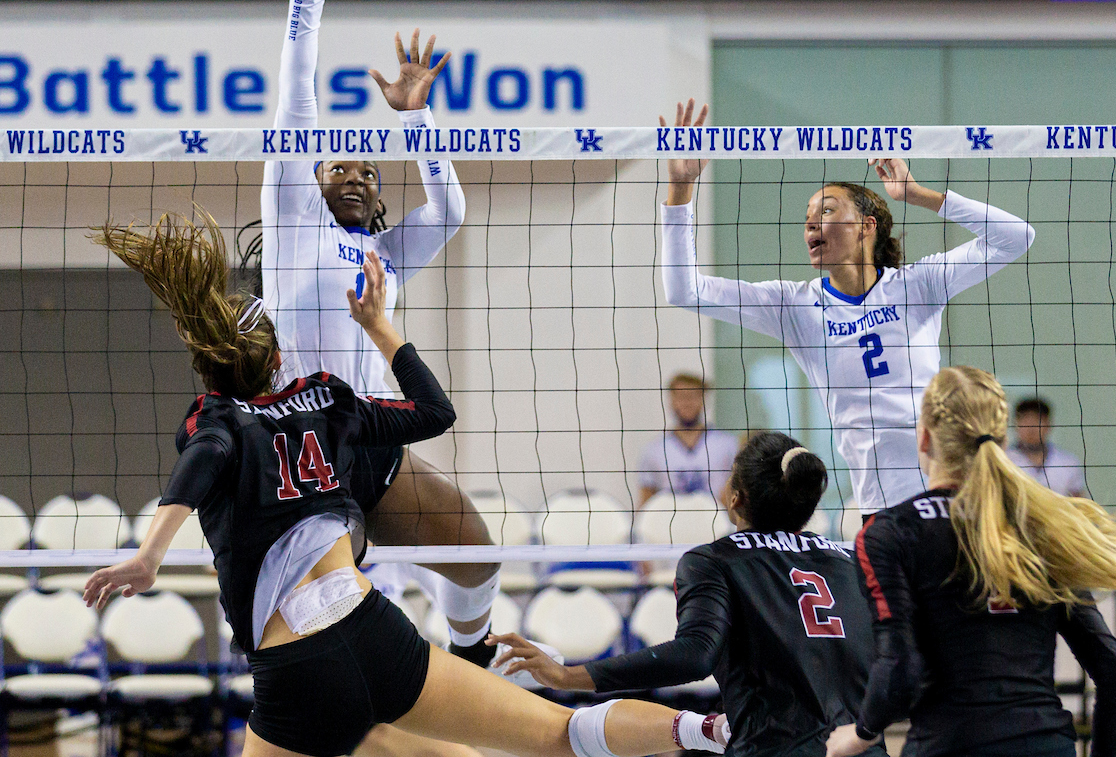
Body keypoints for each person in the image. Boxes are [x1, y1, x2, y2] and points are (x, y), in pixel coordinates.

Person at [82, 212, 728, 757]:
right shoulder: (327, 399)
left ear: (204, 370)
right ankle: (703, 729)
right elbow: (435, 414)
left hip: (299, 665)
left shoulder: (216, 418)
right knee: (559, 733)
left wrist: (150, 554)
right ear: (279, 361)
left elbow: (206, 455)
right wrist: (378, 326)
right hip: (372, 629)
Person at [261, 0, 502, 668]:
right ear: (313, 180)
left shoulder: (386, 254)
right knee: (336, 612)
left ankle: (471, 666)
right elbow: (296, 104)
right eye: (341, 168)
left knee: (477, 558)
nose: (359, 175)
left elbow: (452, 209)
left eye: (370, 170)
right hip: (304, 444)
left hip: (375, 435)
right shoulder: (294, 217)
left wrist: (418, 117)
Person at [659, 100, 1035, 517]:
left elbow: (1016, 237)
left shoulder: (918, 284)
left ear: (866, 227)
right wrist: (681, 191)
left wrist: (917, 194)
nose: (811, 225)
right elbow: (684, 290)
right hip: (880, 508)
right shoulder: (795, 306)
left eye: (826, 211)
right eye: (807, 218)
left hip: (954, 494)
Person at [491, 431, 886, 757]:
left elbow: (695, 655)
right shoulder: (853, 559)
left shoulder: (714, 560)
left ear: (735, 498)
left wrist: (568, 674)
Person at [827, 366, 1116, 757]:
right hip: (1047, 745)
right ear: (1000, 439)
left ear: (925, 437)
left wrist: (860, 733)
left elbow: (900, 669)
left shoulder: (890, 532)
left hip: (950, 745)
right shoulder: (1042, 527)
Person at [636, 373, 740, 508]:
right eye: (681, 397)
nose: (687, 403)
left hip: (716, 524)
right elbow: (646, 503)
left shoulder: (727, 445)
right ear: (671, 401)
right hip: (669, 525)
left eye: (693, 396)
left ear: (703, 399)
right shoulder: (654, 450)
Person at [1005, 397, 1087, 498]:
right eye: (1025, 420)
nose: (1031, 428)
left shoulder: (1068, 462)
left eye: (1037, 420)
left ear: (1048, 424)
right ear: (1015, 425)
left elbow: (1079, 504)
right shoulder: (1003, 460)